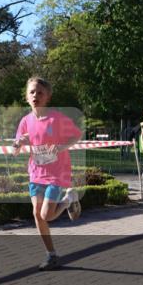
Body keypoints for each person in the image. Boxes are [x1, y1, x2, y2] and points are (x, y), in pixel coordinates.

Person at [14, 77, 83, 271]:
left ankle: (69, 199)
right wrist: (18, 144)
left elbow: (76, 135)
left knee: (47, 215)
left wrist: (60, 147)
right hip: (36, 172)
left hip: (56, 173)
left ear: (48, 97)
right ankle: (51, 255)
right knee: (37, 214)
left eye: (40, 92)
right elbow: (23, 137)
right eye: (32, 92)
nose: (35, 95)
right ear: (27, 97)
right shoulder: (26, 120)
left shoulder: (57, 118)